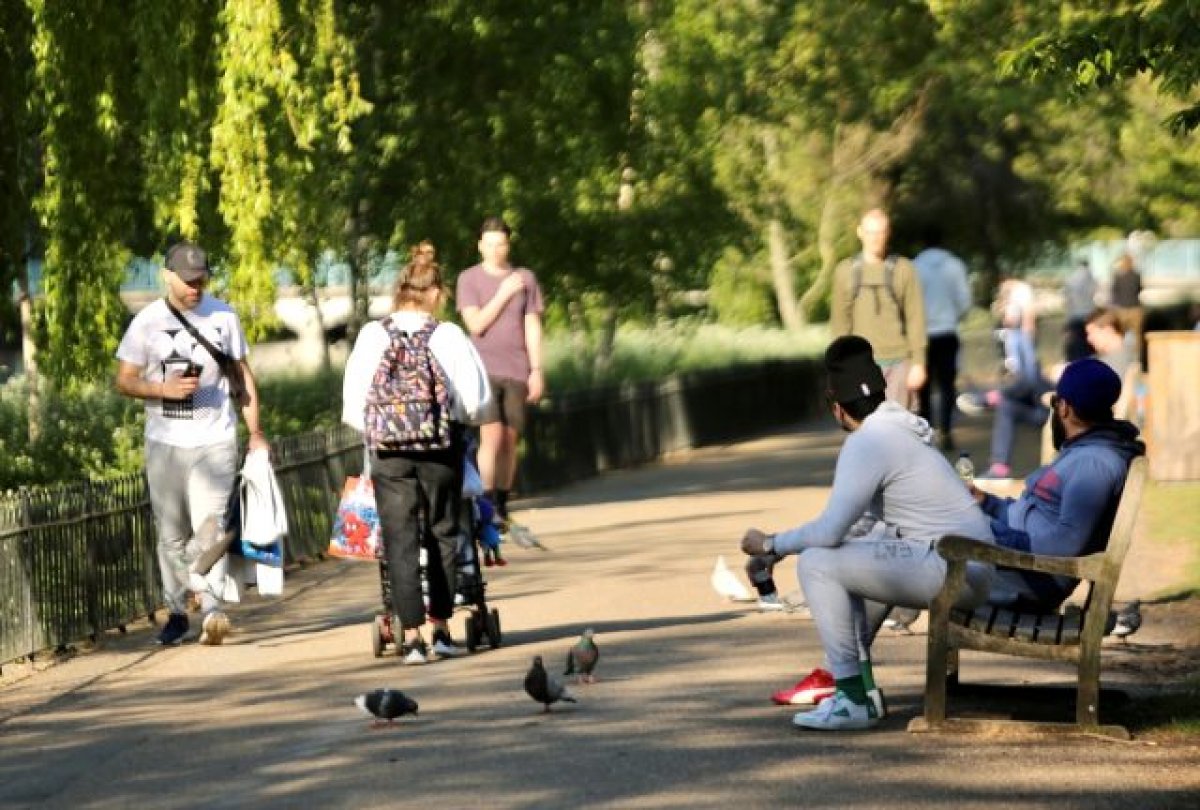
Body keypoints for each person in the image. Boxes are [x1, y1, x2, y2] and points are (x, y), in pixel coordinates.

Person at [739, 336, 994, 731]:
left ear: (836, 406)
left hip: (955, 571)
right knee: (850, 551)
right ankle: (864, 694)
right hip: (967, 566)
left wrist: (772, 544)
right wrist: (777, 549)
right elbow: (854, 526)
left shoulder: (869, 441)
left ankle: (852, 699)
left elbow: (830, 530)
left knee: (818, 563)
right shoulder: (898, 430)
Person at [342, 243, 490, 664]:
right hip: (439, 450)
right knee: (443, 532)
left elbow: (353, 405)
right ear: (437, 294)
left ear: (399, 293)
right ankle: (442, 628)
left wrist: (385, 429)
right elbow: (475, 402)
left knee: (399, 539)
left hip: (389, 454)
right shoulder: (448, 335)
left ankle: (411, 636)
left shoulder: (373, 335)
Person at [115, 241, 269, 646]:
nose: (194, 288)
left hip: (214, 438)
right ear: (167, 277)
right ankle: (178, 610)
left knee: (211, 525)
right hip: (164, 442)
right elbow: (124, 380)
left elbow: (242, 376)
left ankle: (214, 608)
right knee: (172, 535)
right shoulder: (146, 322)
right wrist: (161, 389)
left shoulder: (223, 316)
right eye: (186, 281)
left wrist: (255, 432)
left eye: (200, 280)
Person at [973, 357, 1144, 609]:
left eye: (1055, 402)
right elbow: (1038, 516)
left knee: (926, 551)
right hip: (1017, 564)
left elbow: (1063, 545)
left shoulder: (1093, 465)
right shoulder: (1086, 452)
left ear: (1064, 408)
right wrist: (986, 503)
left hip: (1027, 579)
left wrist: (987, 532)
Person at [455, 217, 545, 526]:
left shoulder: (525, 278)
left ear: (509, 244)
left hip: (517, 368)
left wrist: (536, 369)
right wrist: (504, 293)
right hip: (482, 370)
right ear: (480, 246)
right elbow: (476, 324)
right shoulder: (469, 280)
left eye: (501, 244)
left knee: (510, 438)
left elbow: (532, 323)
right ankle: (486, 503)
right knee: (490, 436)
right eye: (490, 244)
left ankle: (504, 502)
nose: (496, 250)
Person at [830, 208, 927, 406]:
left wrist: (919, 363)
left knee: (899, 428)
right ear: (860, 232)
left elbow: (915, 318)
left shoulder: (904, 269)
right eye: (870, 233)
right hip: (860, 366)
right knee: (867, 428)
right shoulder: (845, 271)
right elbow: (840, 325)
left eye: (880, 233)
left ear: (888, 233)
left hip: (899, 362)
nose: (875, 239)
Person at [912, 224, 972, 452]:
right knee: (947, 384)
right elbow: (964, 301)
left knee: (923, 386)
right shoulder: (954, 265)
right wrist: (952, 315)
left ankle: (925, 429)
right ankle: (946, 429)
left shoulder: (915, 267)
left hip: (922, 334)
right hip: (947, 331)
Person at [1109, 253, 1144, 361]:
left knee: (1120, 335)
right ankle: (1138, 359)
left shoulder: (1118, 276)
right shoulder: (1137, 275)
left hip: (1122, 309)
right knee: (1138, 336)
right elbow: (1140, 289)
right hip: (1135, 308)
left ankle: (1120, 357)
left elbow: (1114, 291)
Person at [1062, 260, 1098, 362]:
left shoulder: (1070, 278)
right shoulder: (1090, 277)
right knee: (1088, 343)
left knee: (1075, 342)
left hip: (1073, 314)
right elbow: (1094, 292)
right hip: (1088, 314)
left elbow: (1066, 298)